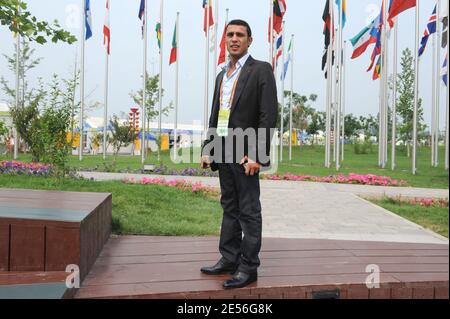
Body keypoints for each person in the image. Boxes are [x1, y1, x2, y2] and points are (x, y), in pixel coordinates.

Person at [200, 19, 278, 289]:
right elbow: (216, 114)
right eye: (230, 34)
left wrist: (258, 154)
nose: (234, 39)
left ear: (249, 40)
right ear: (225, 40)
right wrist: (208, 148)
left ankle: (248, 267)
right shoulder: (223, 74)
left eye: (240, 35)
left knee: (248, 210)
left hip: (246, 153)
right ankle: (229, 258)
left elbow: (268, 116)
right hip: (223, 149)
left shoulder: (261, 70)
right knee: (229, 206)